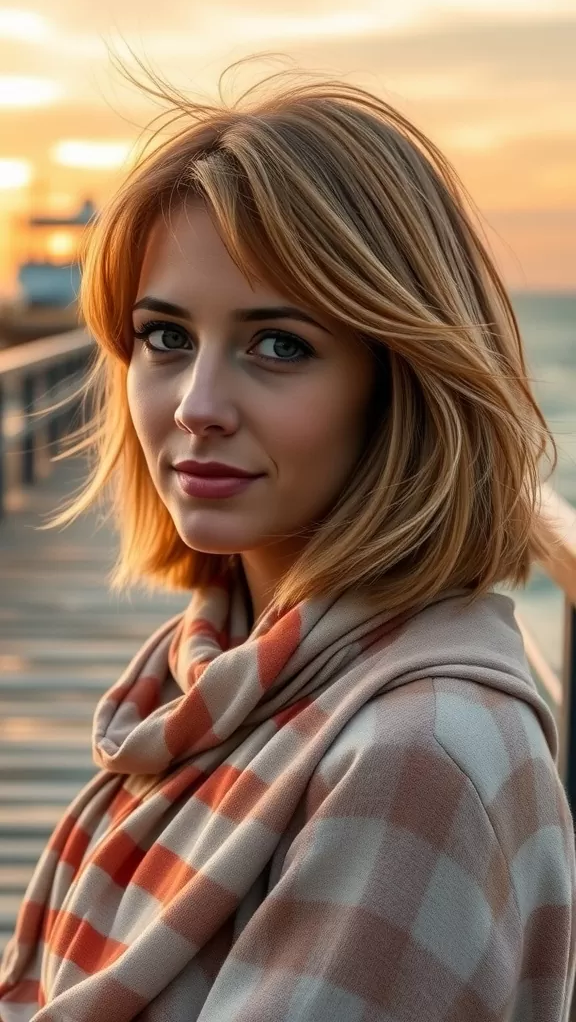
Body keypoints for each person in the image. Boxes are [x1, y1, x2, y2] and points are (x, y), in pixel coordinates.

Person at [0, 59, 574, 1022]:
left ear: (402, 380)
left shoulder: (415, 761)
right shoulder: (221, 657)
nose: (196, 407)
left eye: (280, 345)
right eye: (166, 337)